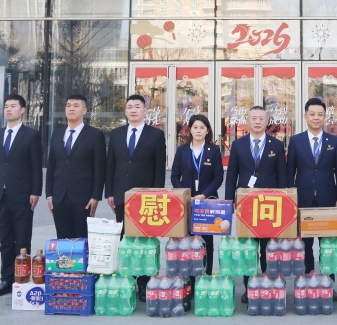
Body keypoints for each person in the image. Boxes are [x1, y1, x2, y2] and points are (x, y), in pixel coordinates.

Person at [105, 94, 166, 301]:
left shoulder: (155, 135)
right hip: (121, 195)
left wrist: (157, 195)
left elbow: (159, 168)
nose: (133, 110)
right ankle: (128, 280)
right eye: (129, 106)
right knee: (126, 241)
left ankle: (144, 283)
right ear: (125, 111)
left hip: (145, 198)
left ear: (144, 110)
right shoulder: (116, 134)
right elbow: (110, 165)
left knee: (145, 243)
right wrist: (110, 192)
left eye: (137, 107)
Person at [225, 106, 287, 303]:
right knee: (249, 248)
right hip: (246, 205)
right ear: (248, 121)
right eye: (254, 118)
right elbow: (232, 174)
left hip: (270, 205)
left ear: (267, 121)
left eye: (261, 118)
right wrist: (229, 201)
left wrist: (284, 202)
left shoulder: (277, 145)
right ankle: (249, 287)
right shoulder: (238, 144)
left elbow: (282, 176)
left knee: (268, 247)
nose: (258, 121)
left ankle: (269, 282)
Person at [287, 97, 337, 301]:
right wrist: (290, 199)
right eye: (312, 114)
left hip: (328, 199)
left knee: (327, 246)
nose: (316, 118)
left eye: (320, 114)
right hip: (303, 200)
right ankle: (307, 281)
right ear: (305, 116)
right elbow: (290, 172)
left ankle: (329, 284)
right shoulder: (296, 141)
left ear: (325, 117)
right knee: (305, 244)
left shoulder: (334, 141)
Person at [0, 94, 42, 298]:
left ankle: (22, 279)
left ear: (22, 110)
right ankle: (6, 279)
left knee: (22, 240)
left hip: (23, 196)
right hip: (0, 196)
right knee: (5, 240)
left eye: (13, 106)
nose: (8, 109)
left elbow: (36, 167)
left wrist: (36, 192)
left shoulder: (31, 135)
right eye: (6, 106)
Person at [45, 94, 106, 239]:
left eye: (76, 106)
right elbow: (51, 166)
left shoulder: (95, 135)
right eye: (68, 105)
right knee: (63, 240)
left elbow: (100, 169)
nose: (71, 108)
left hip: (83, 198)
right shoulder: (57, 134)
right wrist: (49, 195)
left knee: (82, 240)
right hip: (59, 197)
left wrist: (95, 196)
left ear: (84, 110)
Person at [171, 114, 224, 275]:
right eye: (195, 127)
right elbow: (174, 176)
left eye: (202, 127)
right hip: (186, 202)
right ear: (190, 130)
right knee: (188, 239)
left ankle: (206, 274)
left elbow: (218, 177)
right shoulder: (182, 150)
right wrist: (186, 195)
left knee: (207, 240)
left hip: (207, 202)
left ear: (207, 130)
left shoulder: (214, 150)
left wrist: (204, 195)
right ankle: (190, 276)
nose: (198, 130)